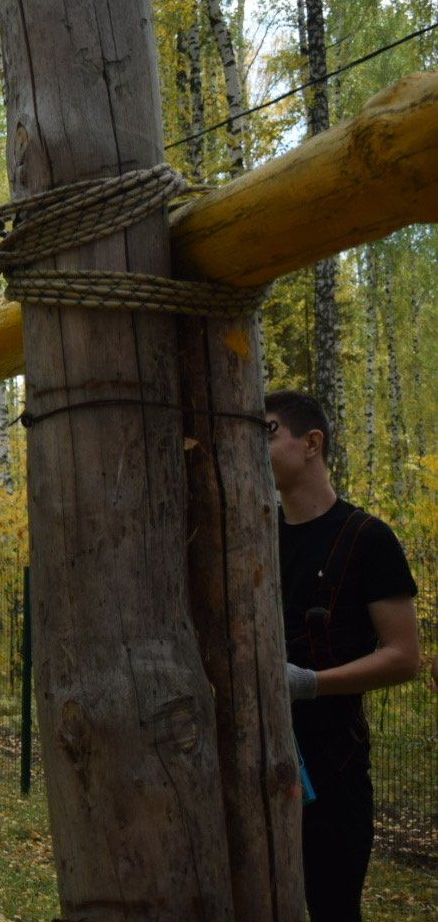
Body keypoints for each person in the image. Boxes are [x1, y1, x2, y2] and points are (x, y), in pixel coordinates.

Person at [265, 389, 422, 921]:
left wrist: (309, 682)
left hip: (333, 768)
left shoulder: (369, 539)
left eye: (266, 433)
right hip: (252, 757)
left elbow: (405, 656)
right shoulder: (250, 536)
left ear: (312, 443)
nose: (251, 449)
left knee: (332, 910)